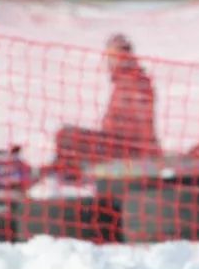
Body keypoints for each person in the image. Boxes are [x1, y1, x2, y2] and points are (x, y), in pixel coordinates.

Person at [51, 33, 161, 175]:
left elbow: (139, 125)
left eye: (113, 55)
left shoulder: (135, 81)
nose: (110, 60)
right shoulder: (125, 80)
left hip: (132, 150)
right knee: (69, 138)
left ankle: (66, 177)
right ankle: (64, 173)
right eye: (109, 55)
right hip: (122, 144)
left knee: (67, 136)